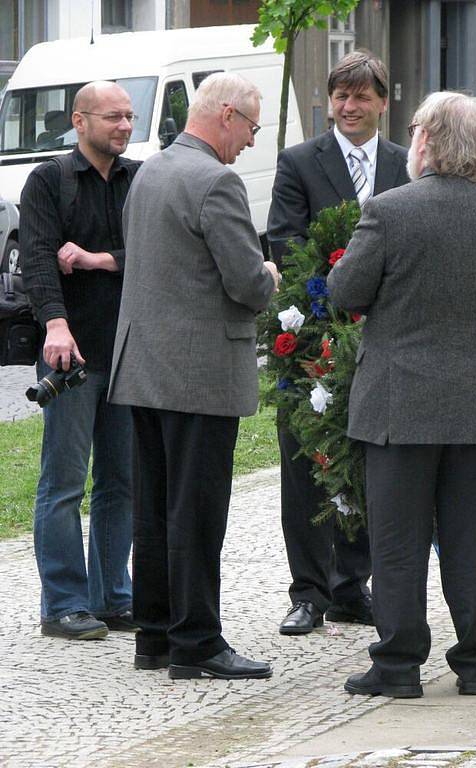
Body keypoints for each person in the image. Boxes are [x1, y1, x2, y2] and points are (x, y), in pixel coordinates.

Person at [328, 91, 476, 698]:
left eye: (416, 129)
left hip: (399, 404)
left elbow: (345, 292)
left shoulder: (389, 211)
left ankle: (397, 667)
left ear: (429, 141)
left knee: (399, 541)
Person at [108, 72, 279, 680]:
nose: (252, 143)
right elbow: (246, 283)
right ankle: (199, 643)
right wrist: (270, 274)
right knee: (197, 511)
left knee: (153, 510)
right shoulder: (216, 180)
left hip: (145, 368)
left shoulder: (149, 171)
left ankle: (153, 637)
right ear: (227, 114)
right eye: (253, 128)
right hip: (199, 372)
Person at [267, 51, 410, 636]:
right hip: (311, 336)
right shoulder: (299, 161)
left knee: (369, 458)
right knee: (306, 460)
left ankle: (354, 585)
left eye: (361, 97)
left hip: (384, 335)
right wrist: (335, 297)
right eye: (340, 97)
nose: (349, 108)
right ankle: (309, 591)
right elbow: (284, 240)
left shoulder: (405, 165)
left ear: (383, 101)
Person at [19, 81, 140, 640]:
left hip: (127, 351)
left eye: (129, 117)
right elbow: (38, 258)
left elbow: (149, 252)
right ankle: (64, 603)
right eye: (113, 117)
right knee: (64, 481)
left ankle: (112, 596)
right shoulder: (49, 180)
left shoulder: (138, 179)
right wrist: (55, 324)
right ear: (80, 120)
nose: (123, 126)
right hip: (68, 355)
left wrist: (96, 259)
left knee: (122, 480)